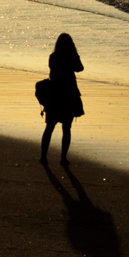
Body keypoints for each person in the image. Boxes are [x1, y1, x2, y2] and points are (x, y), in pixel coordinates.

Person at [40, 33, 84, 165]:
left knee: (50, 127)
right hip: (68, 95)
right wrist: (75, 55)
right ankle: (63, 158)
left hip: (54, 95)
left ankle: (43, 156)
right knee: (66, 128)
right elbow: (80, 68)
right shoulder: (71, 58)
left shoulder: (53, 57)